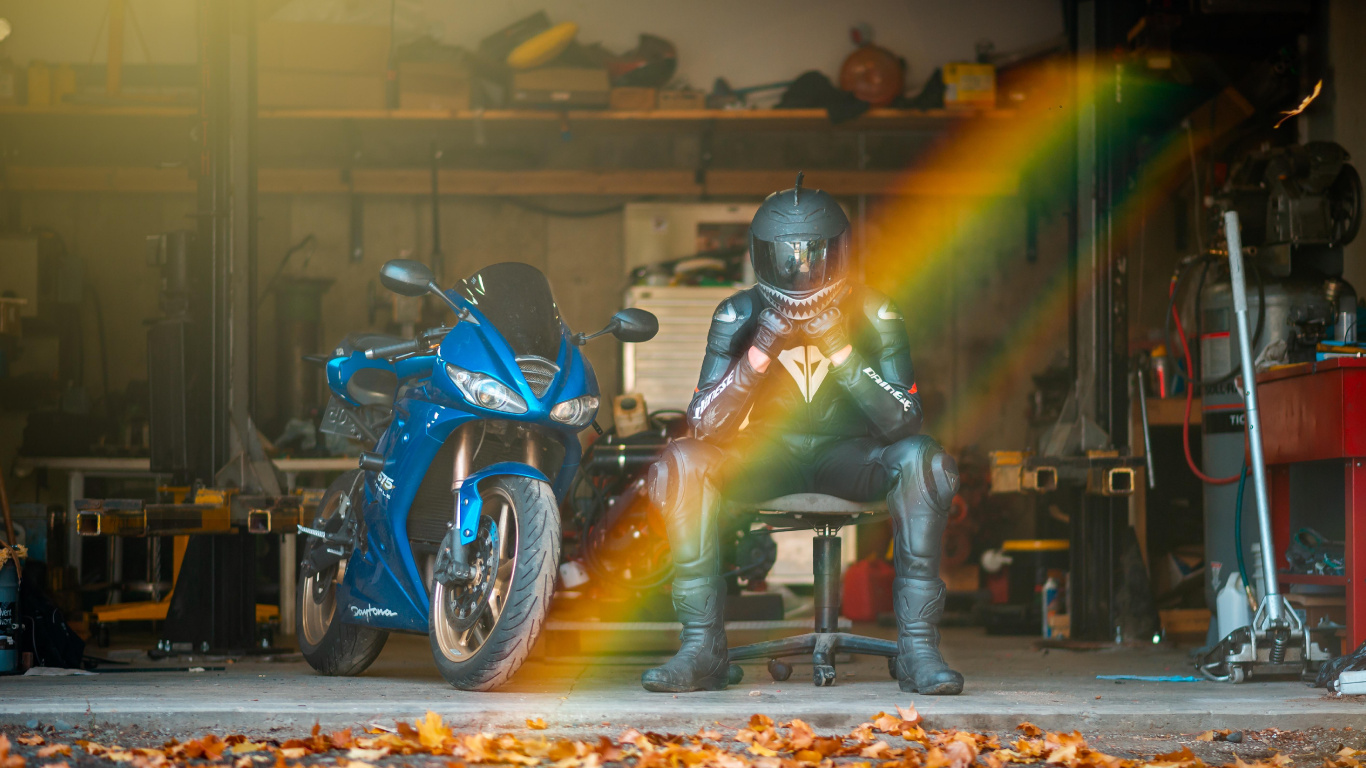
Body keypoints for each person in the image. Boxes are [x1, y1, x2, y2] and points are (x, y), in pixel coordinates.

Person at [641, 174, 962, 695]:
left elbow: (904, 420)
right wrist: (760, 351)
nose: (799, 267)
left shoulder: (875, 311)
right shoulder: (739, 313)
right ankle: (702, 650)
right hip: (770, 458)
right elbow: (704, 423)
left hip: (854, 459)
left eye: (812, 253)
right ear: (760, 254)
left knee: (926, 462)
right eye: (785, 255)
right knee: (682, 461)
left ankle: (918, 651)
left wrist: (840, 349)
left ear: (838, 252)